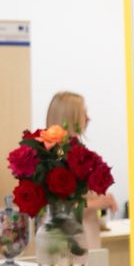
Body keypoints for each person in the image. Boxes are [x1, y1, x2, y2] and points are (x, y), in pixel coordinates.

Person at [44, 91, 119, 231]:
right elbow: (63, 209)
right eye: (83, 113)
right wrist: (99, 203)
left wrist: (100, 199)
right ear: (69, 118)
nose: (88, 118)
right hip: (67, 237)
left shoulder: (76, 155)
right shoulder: (56, 158)